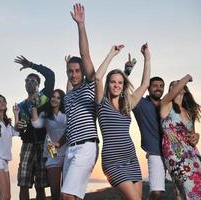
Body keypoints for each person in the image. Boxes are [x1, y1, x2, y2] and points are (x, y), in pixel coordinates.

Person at [95, 43, 151, 200]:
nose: (116, 85)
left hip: (131, 159)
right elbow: (98, 77)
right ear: (109, 83)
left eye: (120, 82)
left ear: (123, 85)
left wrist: (147, 58)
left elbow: (145, 84)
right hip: (112, 162)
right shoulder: (101, 102)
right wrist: (111, 54)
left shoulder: (128, 103)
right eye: (113, 82)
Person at [57, 4, 99, 200]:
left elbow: (85, 55)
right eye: (70, 71)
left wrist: (81, 25)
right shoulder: (69, 96)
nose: (73, 74)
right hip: (70, 148)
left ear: (82, 72)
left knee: (66, 195)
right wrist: (60, 142)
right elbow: (71, 124)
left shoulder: (90, 86)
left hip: (86, 146)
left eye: (76, 71)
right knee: (73, 197)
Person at [14, 55, 55, 200]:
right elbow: (20, 129)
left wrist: (31, 65)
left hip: (46, 143)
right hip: (27, 145)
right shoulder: (20, 106)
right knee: (23, 182)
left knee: (41, 184)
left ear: (38, 84)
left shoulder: (45, 96)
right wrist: (19, 126)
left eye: (33, 80)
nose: (29, 83)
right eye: (27, 80)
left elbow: (50, 75)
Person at [160, 75, 201, 199]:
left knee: (192, 187)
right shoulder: (166, 104)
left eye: (178, 83)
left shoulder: (189, 111)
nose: (177, 85)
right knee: (187, 185)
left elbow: (192, 137)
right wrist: (187, 77)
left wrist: (196, 136)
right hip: (175, 154)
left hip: (192, 153)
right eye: (173, 85)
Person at [31, 89, 66, 200]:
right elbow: (36, 124)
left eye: (58, 97)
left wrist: (60, 142)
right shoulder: (45, 114)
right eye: (53, 96)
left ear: (62, 101)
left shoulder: (67, 113)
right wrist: (34, 106)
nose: (55, 99)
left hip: (68, 150)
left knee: (67, 190)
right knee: (54, 190)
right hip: (52, 151)